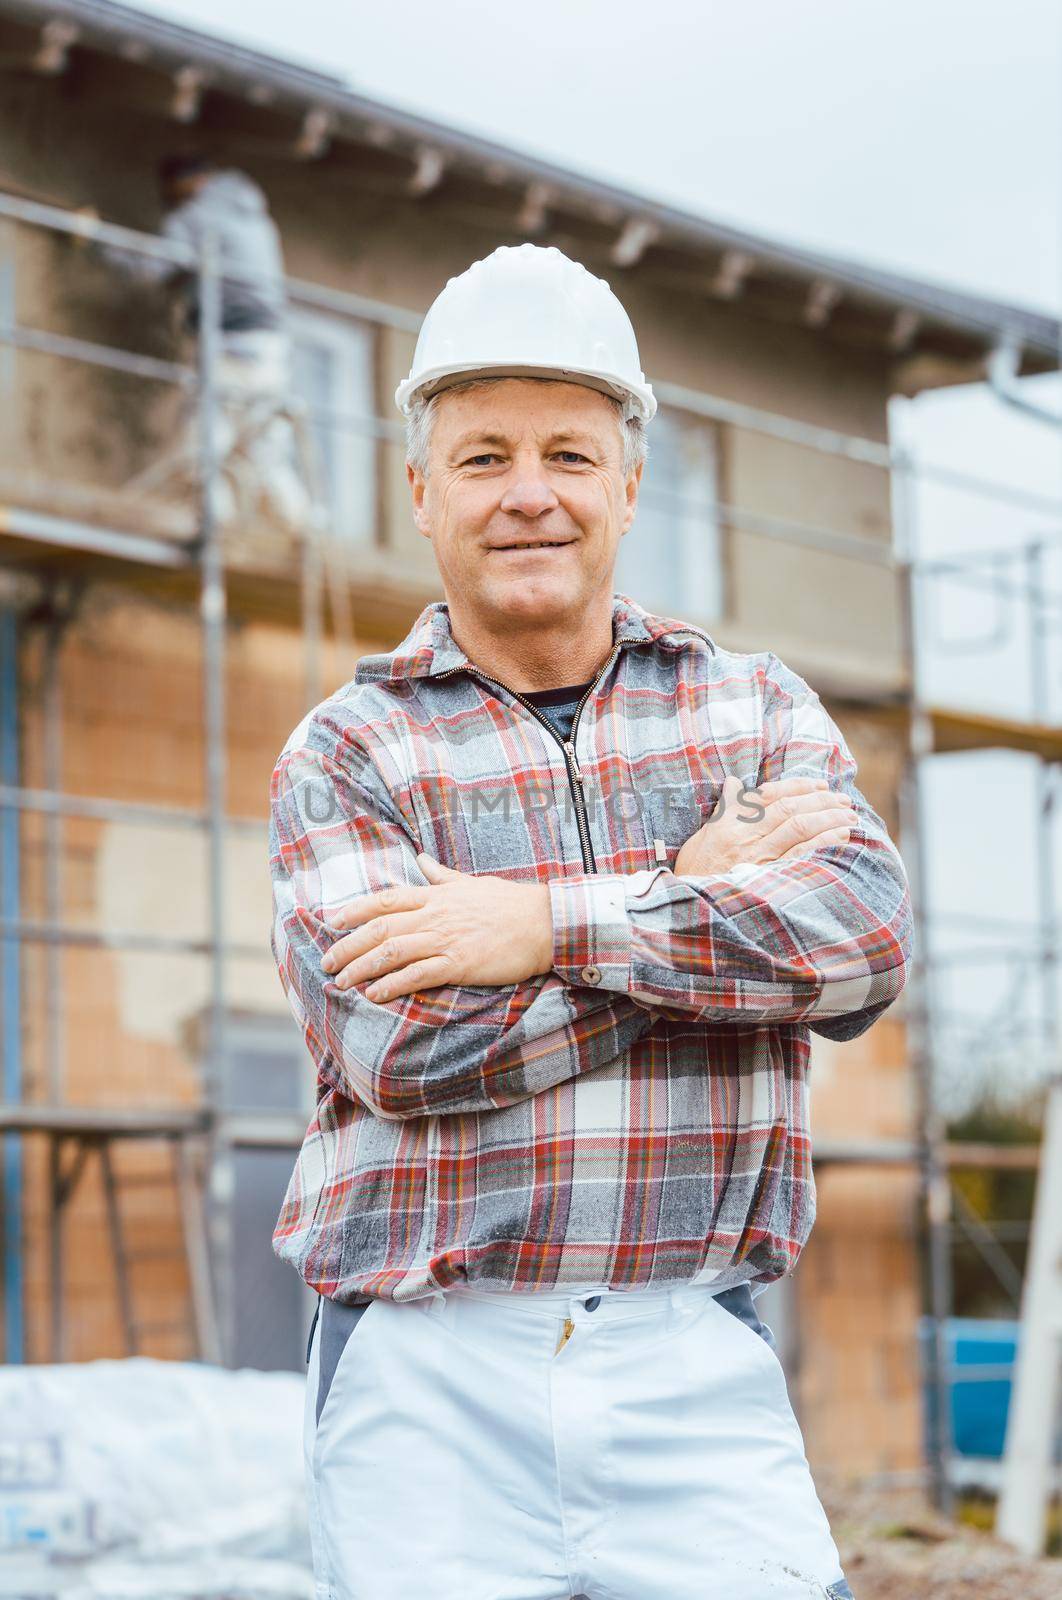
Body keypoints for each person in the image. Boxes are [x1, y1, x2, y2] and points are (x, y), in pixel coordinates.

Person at [268, 242, 913, 1599]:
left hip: (695, 1348)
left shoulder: (750, 708)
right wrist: (699, 899)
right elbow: (403, 1055)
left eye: (567, 455)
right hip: (426, 1372)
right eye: (483, 455)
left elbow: (858, 942)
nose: (528, 497)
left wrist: (546, 925)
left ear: (627, 485)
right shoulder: (348, 751)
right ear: (420, 493)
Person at [100, 152, 315, 530]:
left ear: (185, 182)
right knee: (263, 447)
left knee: (203, 444)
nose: (168, 201)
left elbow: (153, 266)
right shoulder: (254, 217)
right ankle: (305, 528)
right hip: (271, 350)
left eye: (169, 192)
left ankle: (212, 526)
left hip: (229, 346)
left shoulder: (196, 215)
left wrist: (95, 239)